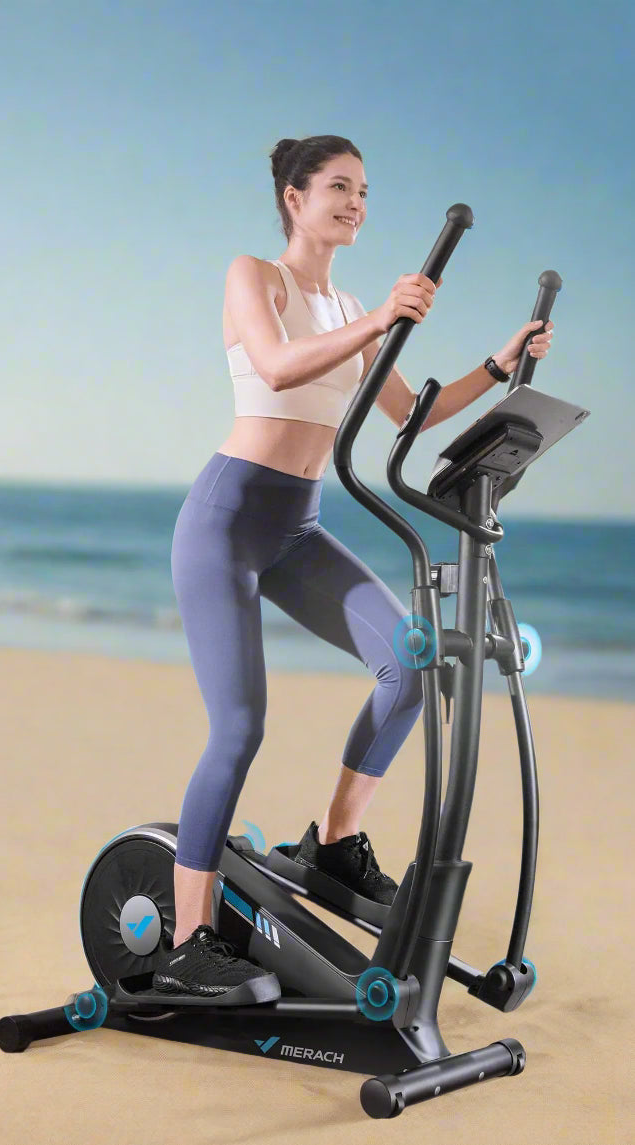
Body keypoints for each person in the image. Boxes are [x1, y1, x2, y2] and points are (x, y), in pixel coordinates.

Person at [152, 135, 554, 998]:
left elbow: (413, 414)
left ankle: (334, 845)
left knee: (411, 662)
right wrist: (382, 322)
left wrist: (497, 364)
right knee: (239, 727)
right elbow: (275, 364)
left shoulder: (351, 306)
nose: (355, 203)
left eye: (364, 191)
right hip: (226, 519)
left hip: (295, 528)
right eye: (338, 187)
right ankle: (188, 939)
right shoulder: (255, 275)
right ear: (294, 198)